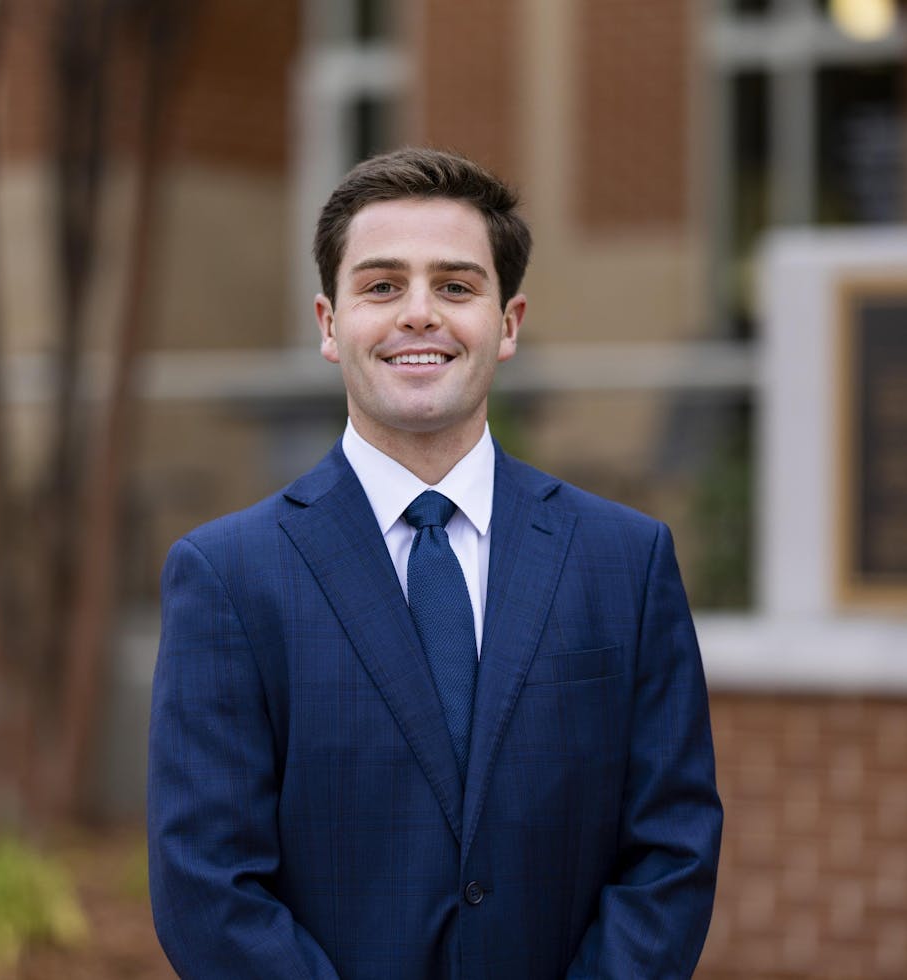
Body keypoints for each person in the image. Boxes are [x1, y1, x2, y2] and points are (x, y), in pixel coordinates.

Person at [147, 147, 722, 979]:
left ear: (509, 323)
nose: (420, 313)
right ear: (329, 323)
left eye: (456, 286)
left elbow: (672, 847)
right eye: (382, 286)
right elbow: (208, 884)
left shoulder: (625, 563)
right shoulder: (228, 577)